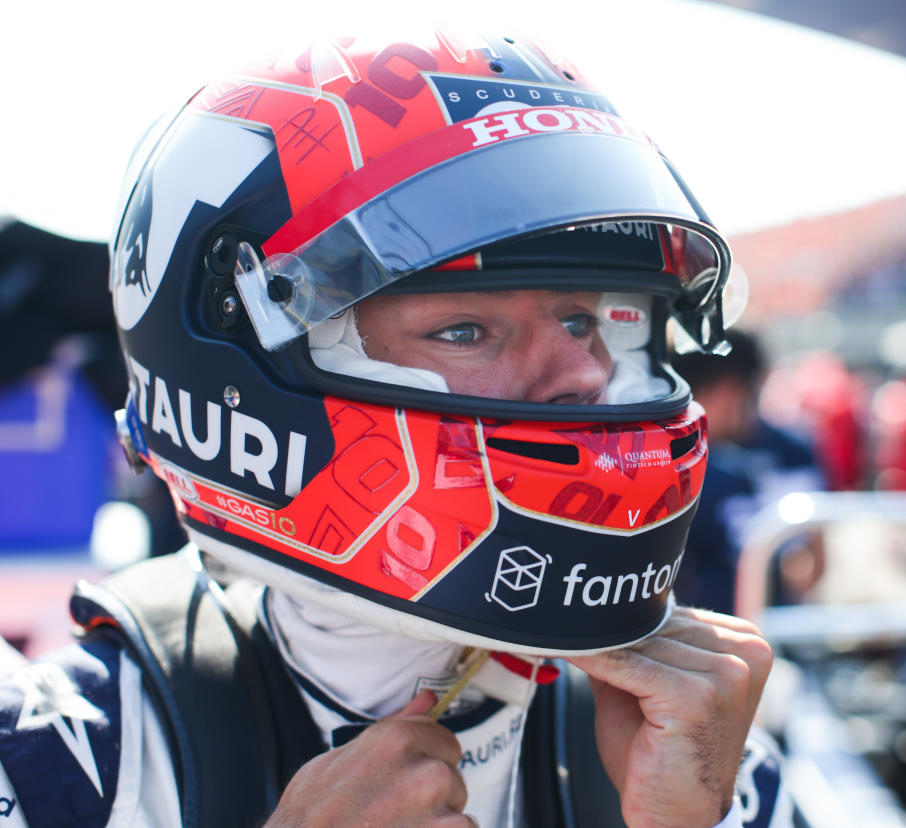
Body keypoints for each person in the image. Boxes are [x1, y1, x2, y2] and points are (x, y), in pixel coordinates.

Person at [0, 30, 791, 828]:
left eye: (583, 318)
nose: (585, 373)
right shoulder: (58, 758)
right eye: (463, 330)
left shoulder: (695, 741)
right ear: (236, 373)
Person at [672, 329, 829, 613]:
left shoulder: (792, 452)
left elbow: (812, 561)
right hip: (700, 628)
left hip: (776, 625)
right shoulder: (675, 459)